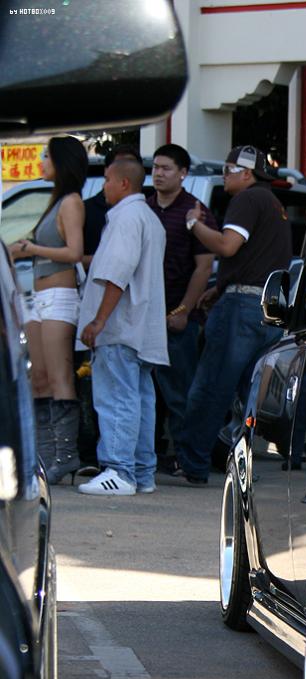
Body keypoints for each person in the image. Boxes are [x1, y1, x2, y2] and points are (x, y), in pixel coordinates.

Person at [173, 145, 291, 484]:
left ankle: (193, 463)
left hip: (242, 310)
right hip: (269, 310)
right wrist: (221, 287)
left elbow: (227, 246)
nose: (224, 176)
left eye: (228, 170)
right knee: (248, 396)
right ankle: (237, 462)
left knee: (211, 387)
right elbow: (252, 260)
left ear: (246, 174)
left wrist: (194, 223)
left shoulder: (247, 200)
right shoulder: (272, 204)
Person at [76, 159, 168, 496]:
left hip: (121, 324)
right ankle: (142, 473)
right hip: (142, 327)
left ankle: (119, 471)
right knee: (140, 399)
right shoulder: (149, 218)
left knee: (116, 398)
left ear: (124, 184)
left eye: (107, 180)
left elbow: (118, 272)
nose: (104, 187)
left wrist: (99, 319)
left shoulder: (126, 218)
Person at [8, 136, 87, 484]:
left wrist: (31, 248)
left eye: (45, 156)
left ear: (61, 161)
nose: (40, 161)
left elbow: (74, 252)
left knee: (59, 378)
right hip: (38, 298)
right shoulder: (52, 200)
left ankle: (65, 457)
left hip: (59, 296)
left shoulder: (70, 202)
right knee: (37, 379)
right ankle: (42, 456)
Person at [146, 144, 216, 465]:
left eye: (166, 168)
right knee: (149, 394)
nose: (158, 173)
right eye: (156, 168)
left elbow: (204, 266)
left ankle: (187, 462)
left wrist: (184, 311)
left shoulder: (195, 212)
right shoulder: (145, 209)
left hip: (178, 319)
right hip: (145, 317)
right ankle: (153, 456)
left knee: (180, 394)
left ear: (183, 174)